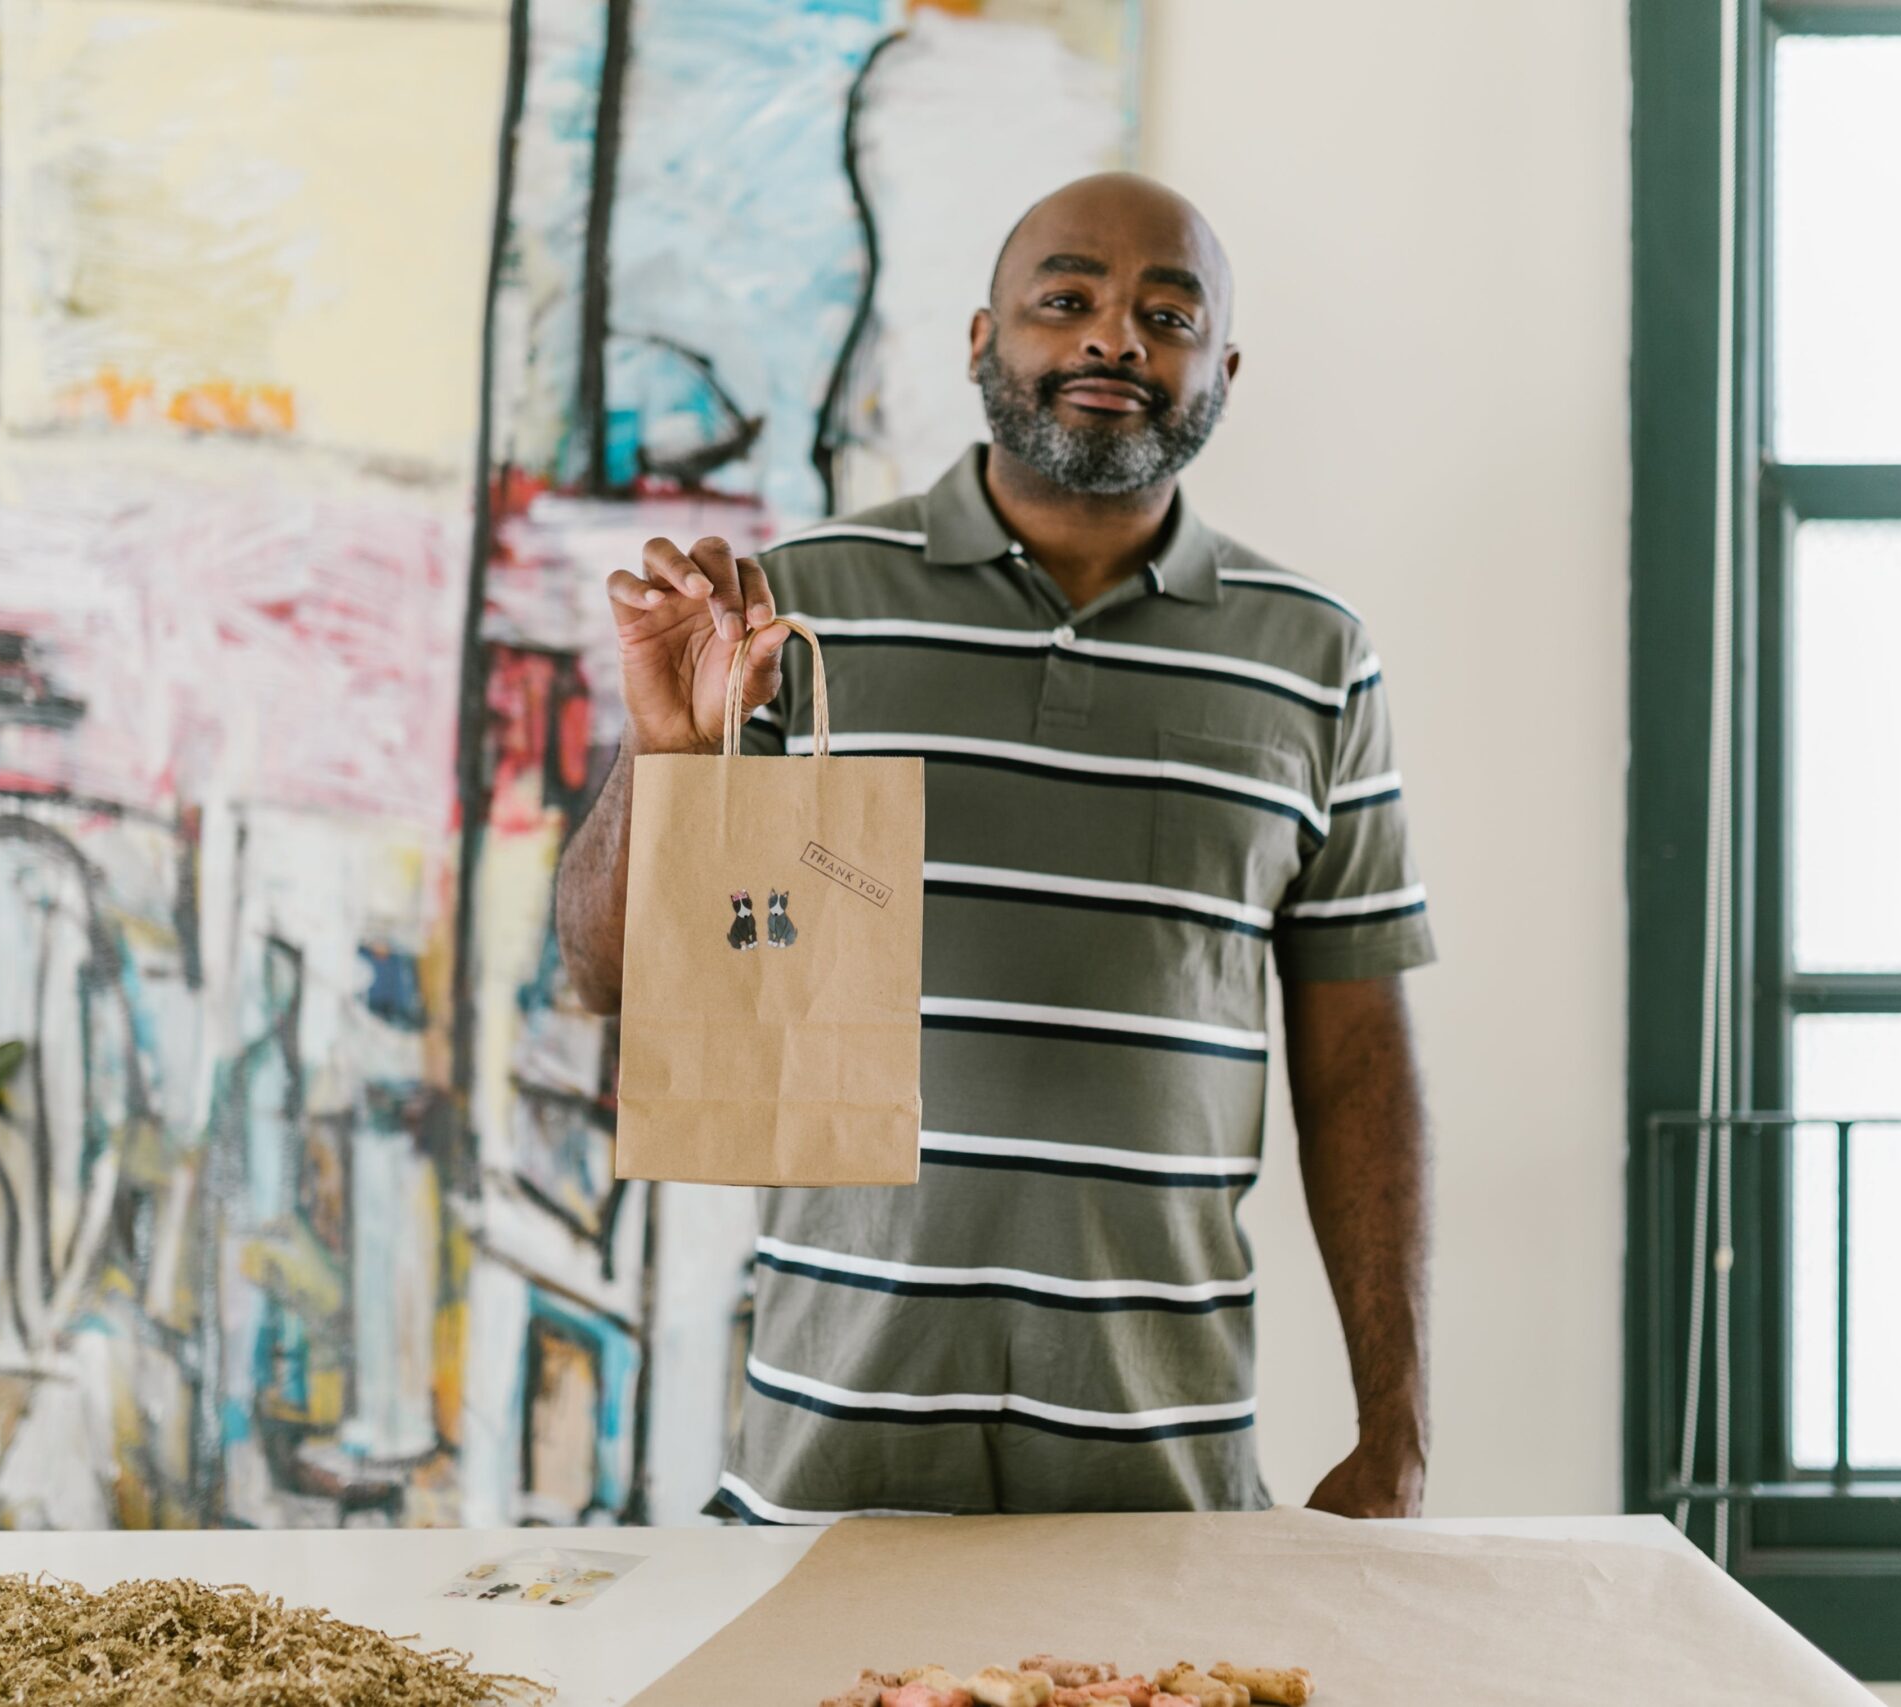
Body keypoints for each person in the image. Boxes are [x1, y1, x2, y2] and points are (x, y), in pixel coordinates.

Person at [554, 172, 1435, 1523]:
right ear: (982, 341)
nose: (1114, 341)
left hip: (1167, 1480)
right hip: (828, 1464)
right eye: (1066, 299)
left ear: (1225, 369)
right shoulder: (801, 611)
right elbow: (610, 977)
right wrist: (666, 757)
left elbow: (1360, 1062)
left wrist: (1399, 1431)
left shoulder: (1315, 658)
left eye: (1168, 313)